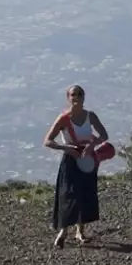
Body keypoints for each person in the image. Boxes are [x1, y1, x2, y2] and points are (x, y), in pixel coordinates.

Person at [42, 84, 109, 248]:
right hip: (70, 160)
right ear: (68, 98)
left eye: (79, 94)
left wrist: (92, 145)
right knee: (68, 195)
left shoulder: (90, 116)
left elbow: (104, 135)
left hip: (87, 158)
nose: (76, 97)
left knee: (84, 194)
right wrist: (65, 148)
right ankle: (63, 231)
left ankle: (80, 231)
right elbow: (48, 141)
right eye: (73, 95)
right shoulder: (63, 119)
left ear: (84, 97)